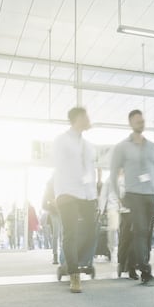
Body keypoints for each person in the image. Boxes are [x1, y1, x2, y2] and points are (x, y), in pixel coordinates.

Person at [110, 110, 154, 287]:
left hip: (150, 196)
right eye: (137, 121)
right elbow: (113, 172)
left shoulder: (153, 147)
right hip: (133, 195)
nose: (141, 123)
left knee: (147, 235)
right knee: (139, 232)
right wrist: (118, 196)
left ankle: (136, 264)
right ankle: (146, 271)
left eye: (142, 120)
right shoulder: (122, 147)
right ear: (130, 123)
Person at [52, 107, 97, 293]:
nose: (89, 119)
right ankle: (74, 275)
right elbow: (60, 167)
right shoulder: (61, 141)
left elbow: (89, 172)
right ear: (77, 119)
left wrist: (92, 194)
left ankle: (69, 264)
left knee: (92, 231)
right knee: (70, 233)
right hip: (67, 192)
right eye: (86, 116)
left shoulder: (87, 145)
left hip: (85, 193)